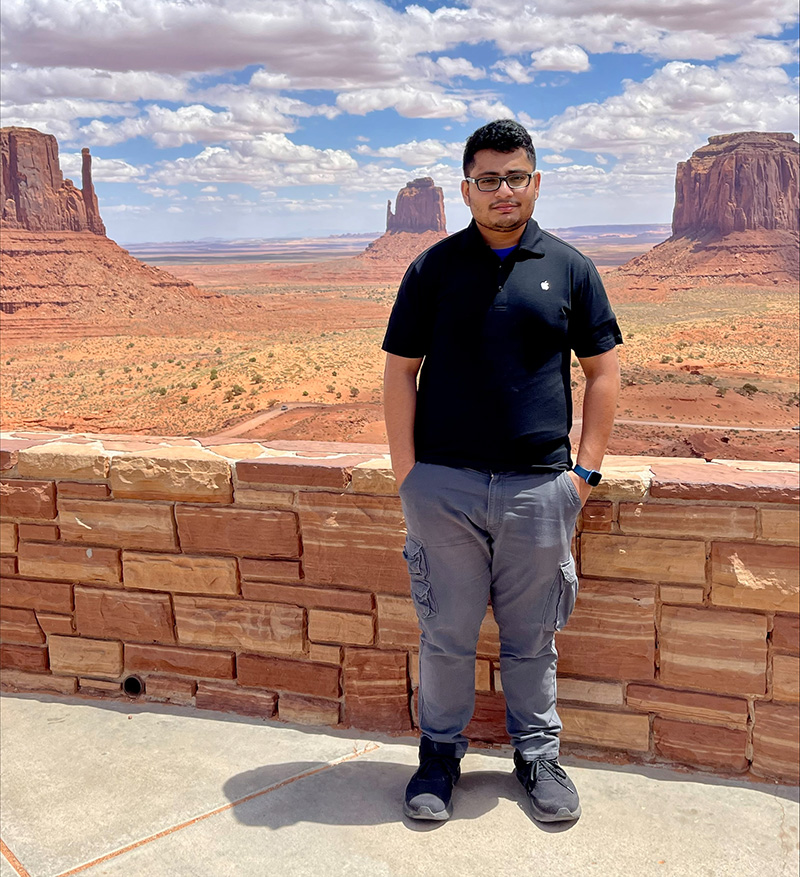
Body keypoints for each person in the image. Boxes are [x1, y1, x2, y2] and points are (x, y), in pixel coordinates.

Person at [382, 119, 622, 824]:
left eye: (515, 176)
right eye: (488, 179)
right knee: (446, 633)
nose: (503, 190)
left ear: (535, 182)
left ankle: (538, 756)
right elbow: (400, 372)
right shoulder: (433, 268)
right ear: (466, 190)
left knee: (531, 637)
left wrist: (584, 474)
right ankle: (439, 754)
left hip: (538, 488)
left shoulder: (571, 268)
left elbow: (603, 372)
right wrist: (409, 475)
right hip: (444, 489)